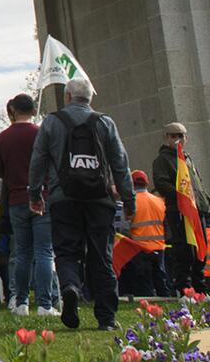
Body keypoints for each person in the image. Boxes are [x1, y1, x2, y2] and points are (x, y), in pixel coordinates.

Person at [27, 76, 134, 331]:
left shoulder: (52, 122)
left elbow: (38, 160)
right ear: (90, 98)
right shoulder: (105, 122)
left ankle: (71, 288)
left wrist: (34, 194)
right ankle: (106, 318)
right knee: (102, 256)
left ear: (67, 97)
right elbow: (120, 163)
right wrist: (129, 199)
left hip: (63, 198)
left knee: (66, 252)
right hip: (100, 199)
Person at [0, 92, 58, 316]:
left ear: (13, 111)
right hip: (41, 198)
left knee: (22, 254)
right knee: (44, 253)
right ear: (32, 110)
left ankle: (20, 302)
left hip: (16, 200)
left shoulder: (3, 138)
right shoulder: (41, 134)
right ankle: (45, 304)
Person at [152, 122, 209, 292]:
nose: (178, 139)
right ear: (166, 138)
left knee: (200, 247)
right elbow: (162, 184)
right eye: (173, 136)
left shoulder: (187, 158)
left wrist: (203, 199)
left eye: (181, 135)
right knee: (184, 249)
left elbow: (197, 183)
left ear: (186, 137)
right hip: (179, 210)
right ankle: (184, 287)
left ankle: (200, 286)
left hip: (197, 210)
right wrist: (183, 198)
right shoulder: (162, 160)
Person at [121, 170, 170, 297]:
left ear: (131, 184)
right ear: (147, 183)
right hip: (159, 247)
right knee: (161, 279)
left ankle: (148, 306)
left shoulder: (130, 202)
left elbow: (125, 226)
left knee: (144, 283)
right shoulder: (159, 201)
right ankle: (166, 302)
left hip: (139, 248)